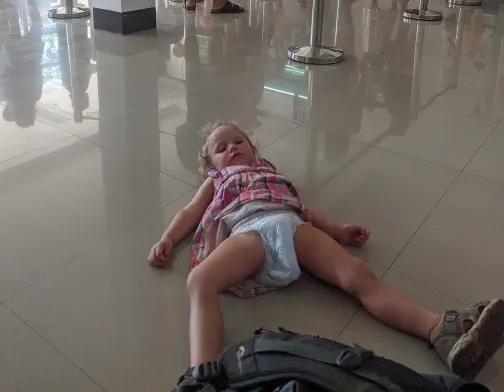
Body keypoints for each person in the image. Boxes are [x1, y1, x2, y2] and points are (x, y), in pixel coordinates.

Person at [149, 120, 504, 377]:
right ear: (210, 166)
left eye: (238, 141)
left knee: (358, 275)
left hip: (292, 225)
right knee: (200, 281)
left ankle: (440, 330)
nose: (232, 148)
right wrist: (167, 238)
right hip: (248, 231)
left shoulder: (269, 172)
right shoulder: (217, 181)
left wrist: (338, 230)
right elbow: (189, 213)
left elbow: (305, 210)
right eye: (221, 148)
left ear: (254, 148)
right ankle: (202, 377)